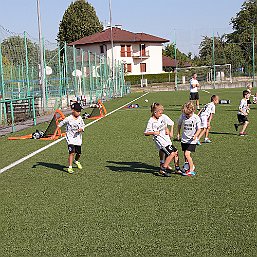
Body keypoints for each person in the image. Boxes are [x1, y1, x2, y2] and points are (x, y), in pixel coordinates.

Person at [144, 102, 181, 177]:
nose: (161, 114)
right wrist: (154, 132)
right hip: (160, 141)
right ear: (155, 112)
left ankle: (177, 169)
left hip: (166, 139)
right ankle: (163, 169)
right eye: (160, 113)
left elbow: (171, 123)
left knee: (176, 152)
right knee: (172, 153)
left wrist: (169, 130)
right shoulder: (151, 121)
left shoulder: (163, 116)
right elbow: (146, 133)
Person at [53, 102, 85, 173]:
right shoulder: (68, 118)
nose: (79, 113)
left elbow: (83, 125)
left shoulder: (80, 118)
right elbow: (59, 125)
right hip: (70, 138)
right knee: (72, 152)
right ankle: (70, 167)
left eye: (80, 111)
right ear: (73, 111)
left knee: (79, 153)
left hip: (78, 139)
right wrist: (54, 134)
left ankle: (76, 161)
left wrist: (81, 129)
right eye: (77, 111)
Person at [177, 101, 201, 176]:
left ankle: (191, 169)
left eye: (188, 114)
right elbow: (179, 124)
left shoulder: (196, 118)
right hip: (184, 139)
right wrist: (178, 133)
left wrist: (195, 136)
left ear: (193, 111)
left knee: (187, 154)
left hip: (192, 140)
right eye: (186, 114)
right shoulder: (182, 116)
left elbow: (199, 129)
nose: (187, 116)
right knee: (185, 154)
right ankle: (187, 165)